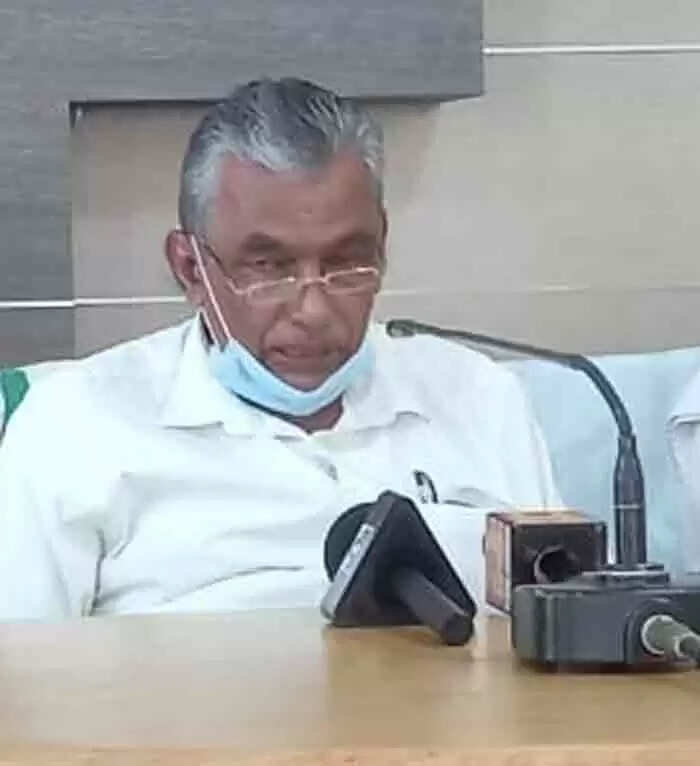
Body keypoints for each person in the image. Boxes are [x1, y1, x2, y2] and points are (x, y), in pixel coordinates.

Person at [0, 78, 560, 620]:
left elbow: (556, 625)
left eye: (346, 262)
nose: (313, 310)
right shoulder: (76, 427)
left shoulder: (481, 398)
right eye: (268, 268)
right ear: (190, 268)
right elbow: (20, 670)